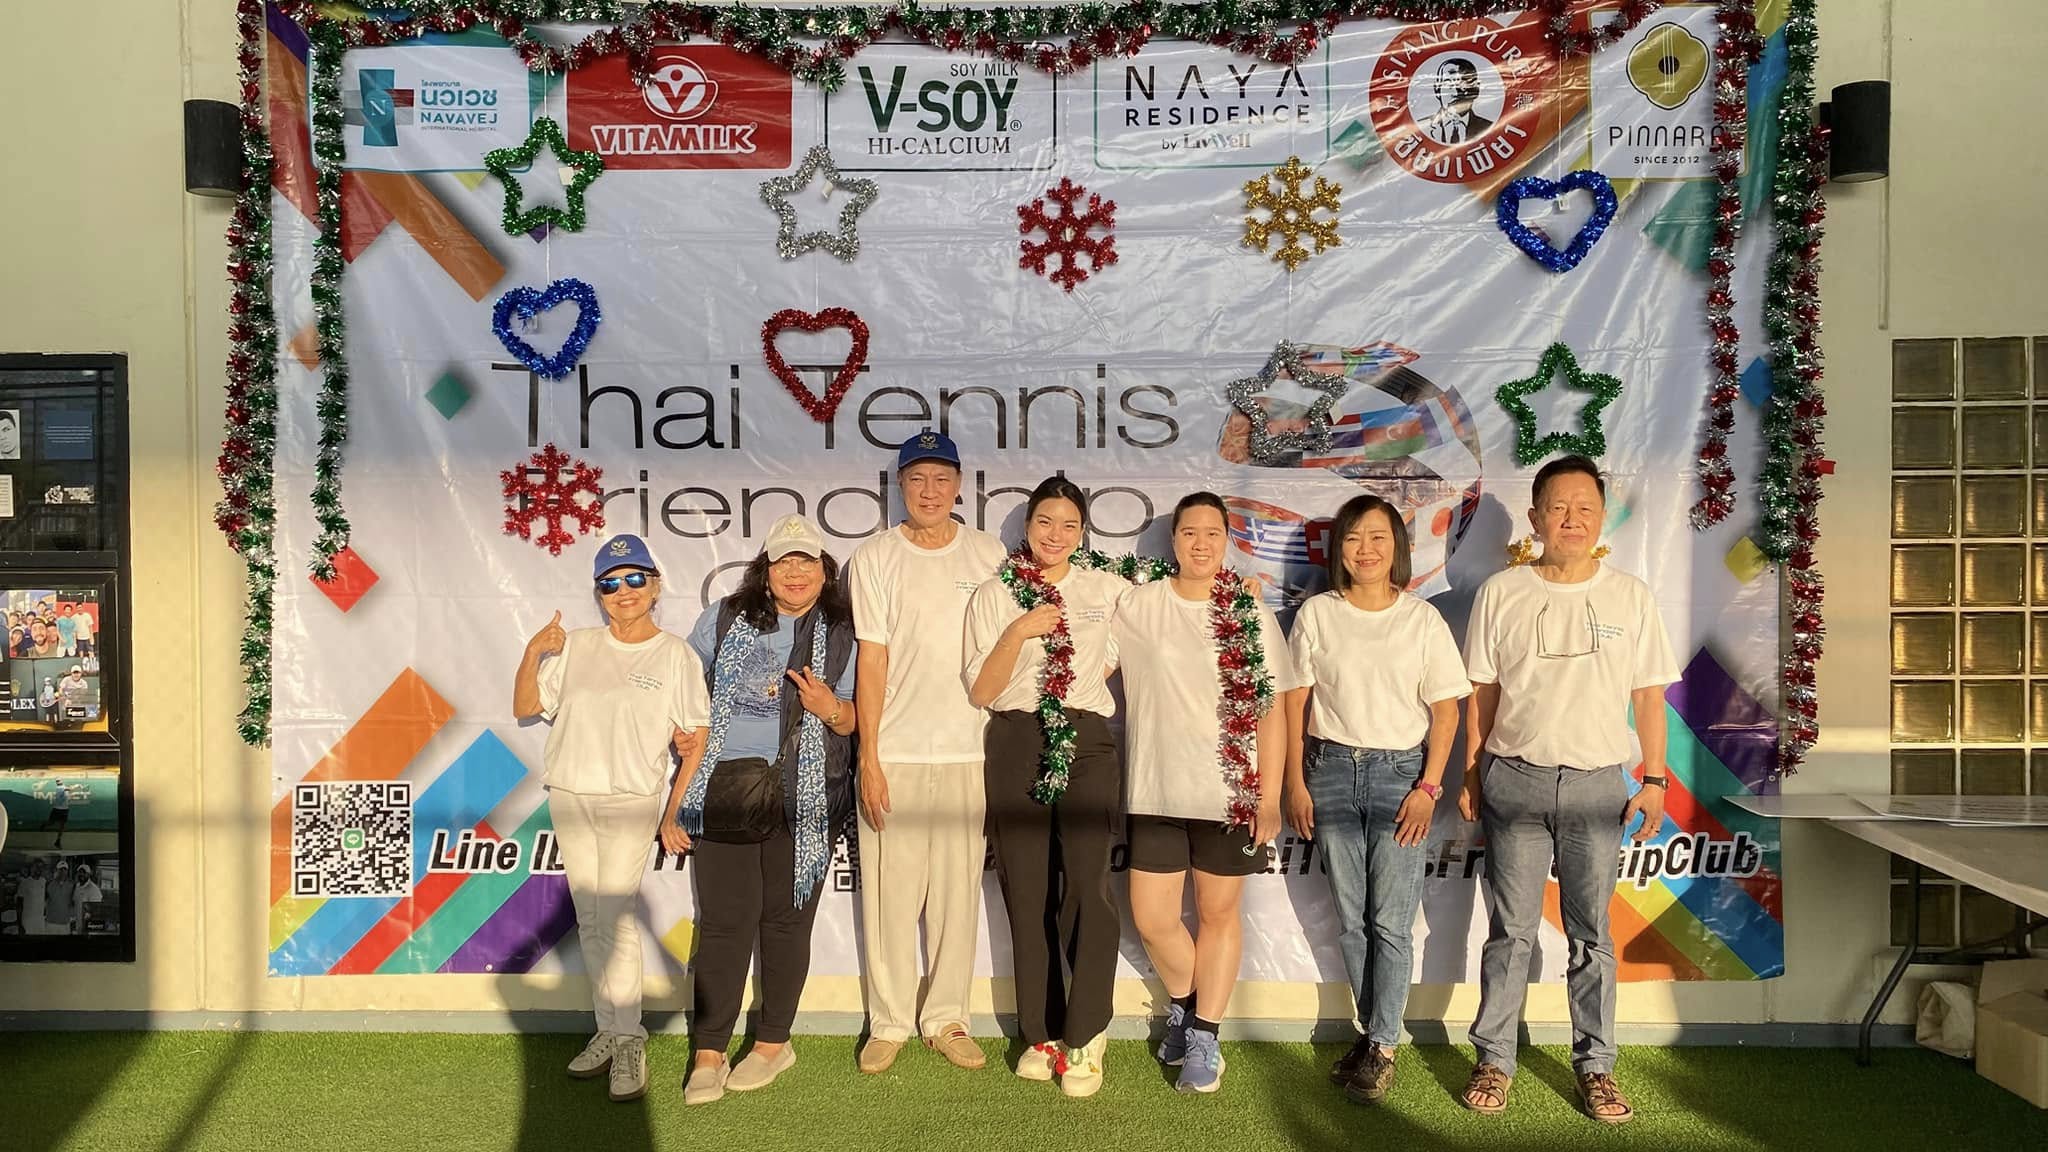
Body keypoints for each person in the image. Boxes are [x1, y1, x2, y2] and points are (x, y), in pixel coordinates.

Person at [1457, 455, 1678, 1125]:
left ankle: (1597, 1068)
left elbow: (1649, 695)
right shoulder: (1502, 592)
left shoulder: (1630, 596)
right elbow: (1481, 693)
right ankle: (1494, 1061)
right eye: (1558, 507)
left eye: (1585, 507)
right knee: (1510, 933)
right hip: (1514, 780)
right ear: (1536, 518)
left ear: (1602, 518)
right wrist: (1471, 772)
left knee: (1592, 936)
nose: (1572, 519)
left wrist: (1654, 779)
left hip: (1597, 786)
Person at [1113, 492, 1304, 1094]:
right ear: (1173, 540)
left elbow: (1271, 709)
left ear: (1228, 541)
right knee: (1152, 918)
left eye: (1213, 533)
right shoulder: (1137, 605)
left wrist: (1267, 796)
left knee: (1219, 915)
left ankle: (1203, 1035)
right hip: (1155, 789)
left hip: (1231, 793)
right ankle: (1187, 1004)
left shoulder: (1250, 615)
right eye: (1189, 532)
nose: (1201, 543)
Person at [512, 532, 710, 1103]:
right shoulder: (576, 645)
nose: (623, 591)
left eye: (634, 579)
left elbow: (695, 739)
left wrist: (672, 810)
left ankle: (628, 1039)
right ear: (599, 594)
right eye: (610, 584)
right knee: (592, 920)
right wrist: (533, 653)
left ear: (655, 586)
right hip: (571, 793)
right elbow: (526, 706)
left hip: (630, 799)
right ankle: (610, 1027)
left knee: (616, 918)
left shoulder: (675, 655)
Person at [1283, 494, 1468, 1103]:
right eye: (1354, 537)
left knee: (1390, 922)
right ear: (1339, 549)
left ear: (1398, 548)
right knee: (1351, 920)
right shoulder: (1317, 614)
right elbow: (1295, 704)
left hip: (1401, 777)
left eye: (1378, 537)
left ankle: (1384, 1045)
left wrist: (1429, 787)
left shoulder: (1421, 620)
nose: (1365, 549)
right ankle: (1372, 1035)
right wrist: (1294, 782)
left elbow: (1447, 712)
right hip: (1330, 771)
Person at [669, 515, 857, 1106]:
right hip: (724, 787)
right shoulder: (724, 618)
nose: (795, 572)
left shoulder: (845, 631)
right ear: (765, 570)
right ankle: (709, 1050)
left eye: (807, 561)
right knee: (723, 924)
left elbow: (858, 720)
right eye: (784, 561)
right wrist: (680, 730)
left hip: (808, 795)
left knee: (785, 922)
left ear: (824, 570)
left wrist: (830, 707)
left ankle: (774, 1042)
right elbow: (681, 688)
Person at [847, 428, 1008, 1074]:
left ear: (959, 485)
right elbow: (872, 662)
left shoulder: (990, 553)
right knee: (890, 899)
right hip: (898, 753)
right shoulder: (874, 557)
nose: (930, 491)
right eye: (917, 479)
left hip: (970, 752)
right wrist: (870, 757)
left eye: (942, 479)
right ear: (901, 485)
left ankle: (946, 1019)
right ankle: (887, 1022)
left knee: (955, 899)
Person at [963, 477, 1128, 1096]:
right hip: (1013, 739)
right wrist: (1019, 632)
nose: (1054, 535)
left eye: (1068, 525)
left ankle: (1086, 1034)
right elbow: (982, 689)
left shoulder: (1105, 589)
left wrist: (1239, 588)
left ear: (1082, 532)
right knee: (1027, 889)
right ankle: (1040, 1030)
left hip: (1086, 741)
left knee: (1087, 885)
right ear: (1027, 527)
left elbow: (1141, 632)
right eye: (1043, 522)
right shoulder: (994, 593)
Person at [1421, 58, 1494, 144]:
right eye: (1448, 82)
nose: (1456, 91)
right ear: (1437, 89)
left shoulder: (1492, 128)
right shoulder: (1420, 128)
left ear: (1476, 88)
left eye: (1463, 82)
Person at [72, 863, 102, 934]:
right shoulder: (77, 886)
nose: (81, 874)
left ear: (88, 874)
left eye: (84, 872)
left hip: (88, 928)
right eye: (80, 872)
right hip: (78, 926)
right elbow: (75, 903)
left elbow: (96, 911)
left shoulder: (94, 889)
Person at [47, 778, 70, 849]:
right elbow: (69, 788)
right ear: (57, 783)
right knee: (51, 823)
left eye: (59, 780)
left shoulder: (64, 787)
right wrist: (77, 786)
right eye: (57, 781)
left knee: (62, 826)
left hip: (65, 810)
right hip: (57, 809)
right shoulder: (59, 788)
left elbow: (68, 789)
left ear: (62, 781)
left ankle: (58, 841)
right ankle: (44, 825)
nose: (58, 782)